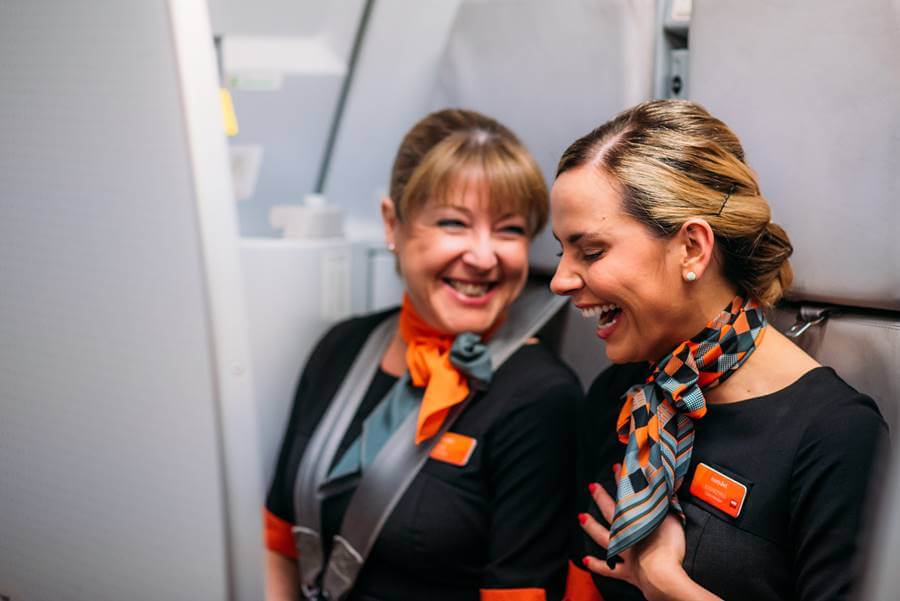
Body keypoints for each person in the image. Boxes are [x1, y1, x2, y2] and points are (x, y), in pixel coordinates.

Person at [551, 100, 888, 601]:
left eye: (592, 251)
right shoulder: (625, 398)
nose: (560, 281)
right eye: (562, 252)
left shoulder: (834, 434)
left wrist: (669, 587)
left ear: (692, 248)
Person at [263, 108, 582, 601]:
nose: (482, 256)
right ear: (393, 224)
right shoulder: (342, 347)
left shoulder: (542, 399)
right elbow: (280, 544)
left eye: (510, 230)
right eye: (454, 223)